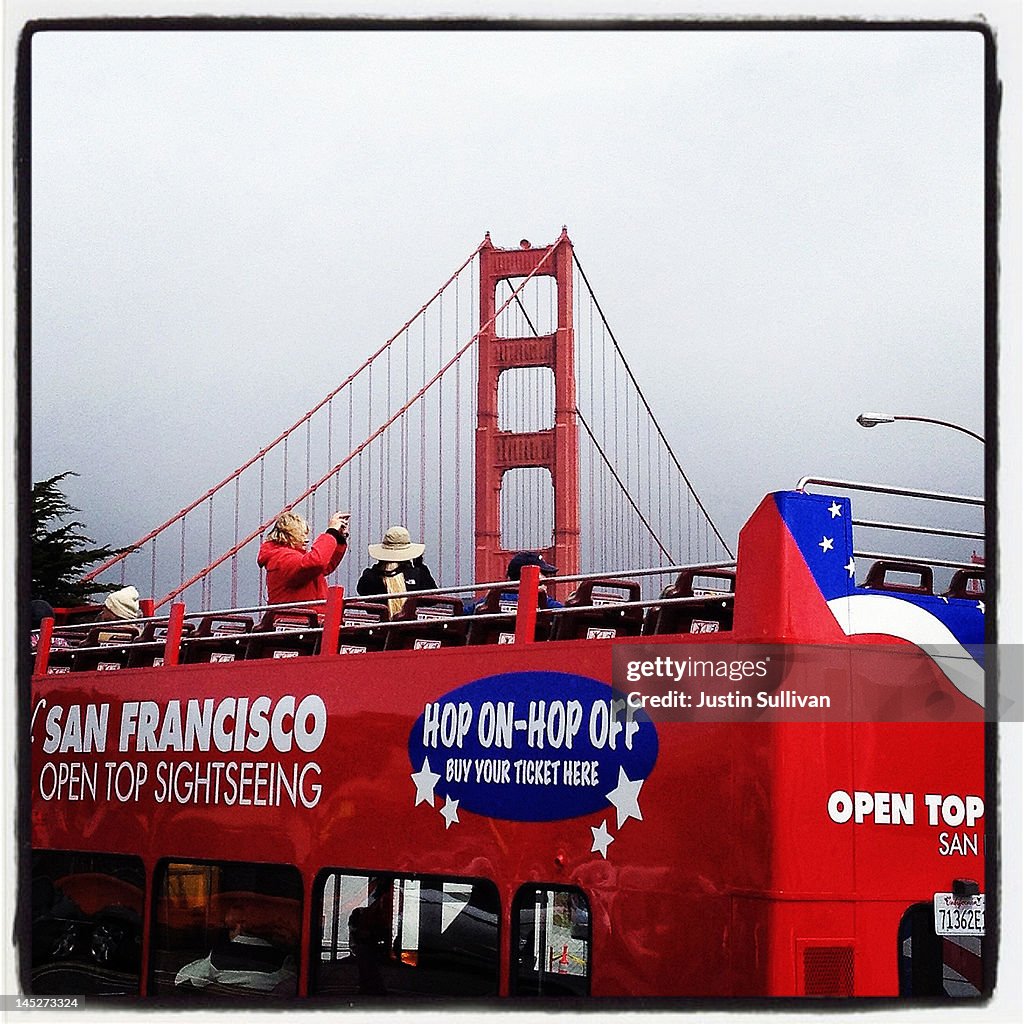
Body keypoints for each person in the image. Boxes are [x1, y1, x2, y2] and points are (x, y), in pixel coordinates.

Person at [257, 510, 349, 605]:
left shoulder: (284, 557)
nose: (306, 540)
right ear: (288, 535)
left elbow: (324, 567)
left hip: (304, 616)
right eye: (301, 535)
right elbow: (317, 562)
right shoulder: (281, 557)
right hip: (297, 616)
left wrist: (338, 537)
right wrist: (331, 532)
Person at [357, 526, 436, 616]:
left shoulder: (369, 577)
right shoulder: (418, 574)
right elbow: (432, 600)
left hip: (379, 628)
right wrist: (420, 566)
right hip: (413, 628)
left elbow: (362, 591)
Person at [468, 551, 562, 613]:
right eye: (542, 582)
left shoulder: (490, 600)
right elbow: (569, 618)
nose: (546, 585)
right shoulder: (545, 603)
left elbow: (460, 616)